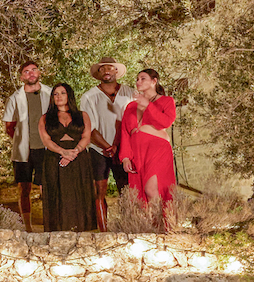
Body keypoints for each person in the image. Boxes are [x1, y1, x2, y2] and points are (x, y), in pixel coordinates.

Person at [119, 67, 179, 231]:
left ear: (154, 81)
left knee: (152, 189)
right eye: (137, 79)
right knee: (140, 194)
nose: (138, 82)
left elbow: (166, 122)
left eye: (143, 78)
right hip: (137, 152)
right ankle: (150, 227)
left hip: (157, 148)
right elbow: (124, 132)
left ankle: (161, 226)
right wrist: (125, 157)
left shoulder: (166, 101)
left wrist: (148, 106)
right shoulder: (130, 106)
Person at [79, 60, 135, 228]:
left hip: (125, 149)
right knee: (99, 190)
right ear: (99, 73)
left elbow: (133, 120)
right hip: (98, 149)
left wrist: (119, 145)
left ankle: (130, 226)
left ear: (116, 71)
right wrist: (107, 147)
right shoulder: (89, 96)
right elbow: (89, 126)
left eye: (110, 67)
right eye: (102, 68)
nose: (106, 70)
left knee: (127, 191)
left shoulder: (130, 93)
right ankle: (103, 230)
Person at [35, 84, 98, 232]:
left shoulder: (82, 115)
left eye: (62, 93)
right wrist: (63, 152)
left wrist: (74, 153)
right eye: (55, 94)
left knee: (79, 194)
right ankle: (58, 233)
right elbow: (46, 141)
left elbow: (86, 137)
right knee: (57, 194)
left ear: (69, 95)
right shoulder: (45, 118)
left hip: (79, 160)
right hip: (54, 159)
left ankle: (81, 231)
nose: (59, 96)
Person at [2, 60, 50, 230]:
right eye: (27, 71)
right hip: (23, 151)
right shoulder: (15, 98)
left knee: (47, 187)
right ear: (22, 77)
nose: (31, 73)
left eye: (34, 70)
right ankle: (27, 227)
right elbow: (9, 125)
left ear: (39, 73)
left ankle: (49, 224)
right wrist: (21, 139)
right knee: (24, 188)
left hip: (45, 149)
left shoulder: (50, 94)